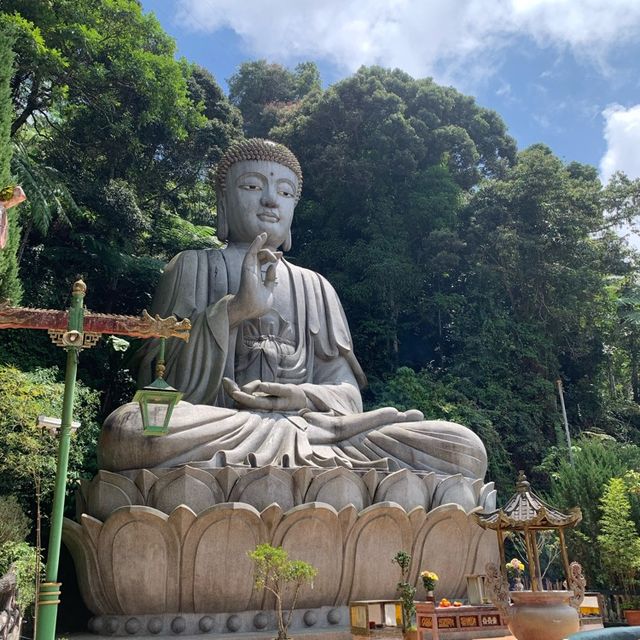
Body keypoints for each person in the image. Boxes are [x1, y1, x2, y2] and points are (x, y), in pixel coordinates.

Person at [99, 139, 487, 479]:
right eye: (253, 186)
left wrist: (300, 397)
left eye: (284, 193)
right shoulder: (191, 266)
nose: (270, 200)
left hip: (315, 432)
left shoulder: (316, 286)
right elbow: (158, 383)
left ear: (294, 207)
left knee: (461, 447)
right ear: (223, 200)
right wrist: (234, 311)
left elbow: (348, 394)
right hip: (224, 426)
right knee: (129, 430)